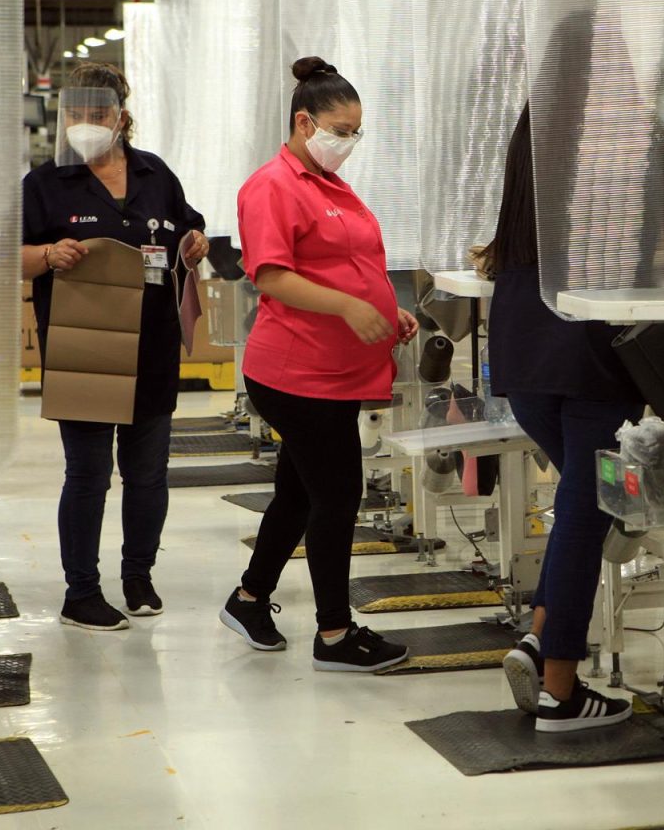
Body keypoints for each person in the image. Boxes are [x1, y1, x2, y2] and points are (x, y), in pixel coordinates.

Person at [219, 56, 419, 672]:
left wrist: (388, 311)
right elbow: (272, 276)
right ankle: (333, 634)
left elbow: (347, 259)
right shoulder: (271, 186)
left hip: (335, 368)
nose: (349, 142)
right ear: (305, 123)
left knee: (299, 494)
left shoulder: (329, 184)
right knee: (338, 494)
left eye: (357, 131)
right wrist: (351, 308)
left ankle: (250, 598)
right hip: (296, 372)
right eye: (341, 130)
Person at [21, 62, 208, 631]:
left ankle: (138, 576)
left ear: (121, 117)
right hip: (84, 350)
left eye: (96, 114)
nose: (84, 123)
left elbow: (188, 229)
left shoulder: (156, 175)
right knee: (88, 474)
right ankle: (81, 592)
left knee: (149, 473)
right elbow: (8, 257)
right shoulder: (45, 184)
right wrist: (50, 256)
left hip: (151, 345)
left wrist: (196, 242)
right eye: (74, 114)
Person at [481, 104, 648, 732]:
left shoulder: (532, 124)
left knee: (578, 508)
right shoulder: (611, 142)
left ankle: (539, 637)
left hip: (524, 350)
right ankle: (561, 691)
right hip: (589, 354)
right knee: (584, 517)